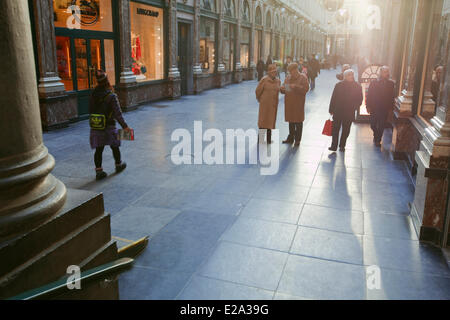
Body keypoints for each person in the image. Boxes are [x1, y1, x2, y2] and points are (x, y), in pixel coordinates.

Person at [89, 70, 131, 180]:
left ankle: (99, 171)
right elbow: (118, 114)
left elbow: (90, 109)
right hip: (109, 126)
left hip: (97, 125)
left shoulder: (93, 94)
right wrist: (125, 126)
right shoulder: (111, 96)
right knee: (115, 146)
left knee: (99, 149)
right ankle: (118, 165)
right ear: (107, 81)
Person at [328, 69, 363, 152]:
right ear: (345, 76)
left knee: (346, 130)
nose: (351, 76)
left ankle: (342, 145)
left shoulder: (357, 86)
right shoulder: (338, 85)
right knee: (335, 129)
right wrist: (331, 109)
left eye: (352, 74)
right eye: (349, 75)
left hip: (349, 112)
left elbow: (360, 99)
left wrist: (354, 107)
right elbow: (333, 98)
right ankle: (334, 145)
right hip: (338, 110)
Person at [280, 63, 309, 146]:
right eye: (290, 71)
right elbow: (286, 89)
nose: (291, 73)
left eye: (292, 71)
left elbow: (306, 89)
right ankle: (291, 138)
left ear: (296, 70)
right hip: (289, 103)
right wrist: (282, 89)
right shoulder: (288, 77)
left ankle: (297, 139)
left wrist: (296, 87)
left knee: (298, 122)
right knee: (291, 122)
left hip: (298, 103)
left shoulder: (303, 77)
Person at [366, 66, 396, 147]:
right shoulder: (374, 82)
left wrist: (391, 108)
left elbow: (392, 97)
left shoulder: (391, 84)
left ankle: (377, 140)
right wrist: (368, 105)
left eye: (387, 72)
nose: (386, 73)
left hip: (384, 108)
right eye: (384, 71)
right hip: (374, 107)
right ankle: (376, 135)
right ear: (380, 73)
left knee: (381, 125)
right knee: (373, 124)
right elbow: (369, 94)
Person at [256, 64, 281, 144]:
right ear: (269, 72)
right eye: (273, 72)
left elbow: (281, 89)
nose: (274, 73)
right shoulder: (264, 80)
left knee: (270, 122)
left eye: (275, 72)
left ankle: (269, 140)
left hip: (273, 105)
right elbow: (258, 91)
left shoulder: (278, 81)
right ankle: (260, 139)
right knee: (263, 121)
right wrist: (261, 99)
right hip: (265, 105)